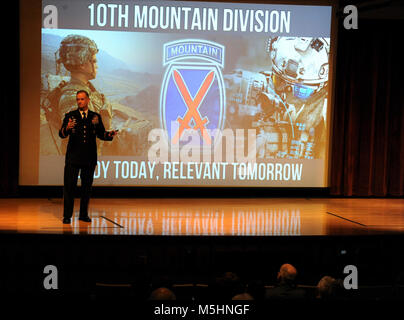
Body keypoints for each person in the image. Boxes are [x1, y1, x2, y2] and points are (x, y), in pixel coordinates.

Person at [59, 90, 117, 224]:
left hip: (89, 158)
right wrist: (67, 128)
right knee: (69, 187)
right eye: (78, 99)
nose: (79, 101)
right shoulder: (70, 116)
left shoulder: (95, 116)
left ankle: (83, 214)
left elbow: (101, 134)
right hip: (73, 158)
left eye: (82, 99)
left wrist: (109, 135)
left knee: (86, 188)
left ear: (88, 100)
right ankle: (67, 216)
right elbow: (61, 134)